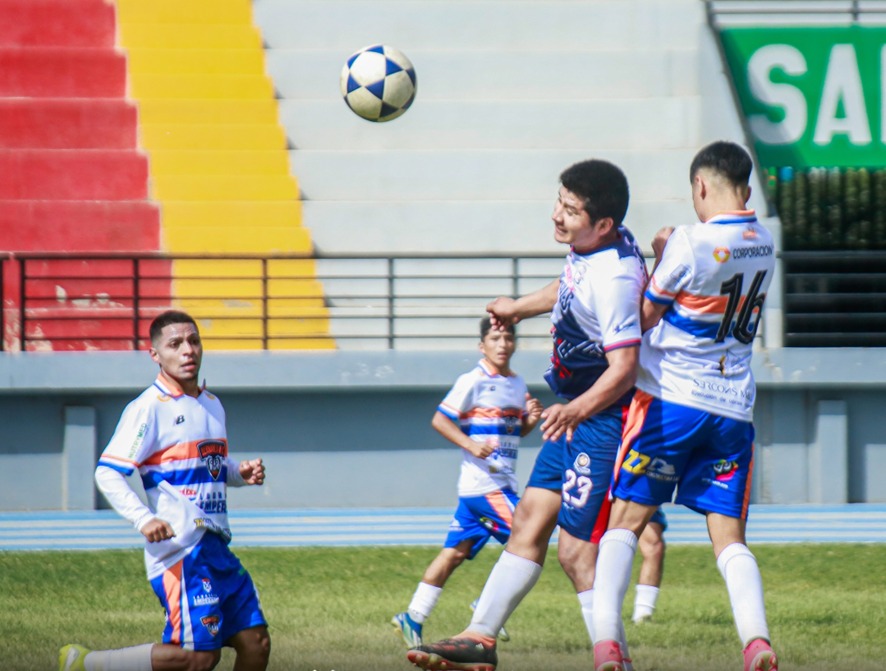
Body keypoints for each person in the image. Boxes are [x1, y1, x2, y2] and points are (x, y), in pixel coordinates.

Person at [407, 158, 647, 671]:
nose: (558, 215)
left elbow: (625, 367)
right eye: (558, 201)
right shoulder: (596, 245)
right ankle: (480, 638)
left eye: (571, 210)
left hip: (601, 420)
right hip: (576, 416)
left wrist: (575, 408)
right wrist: (518, 307)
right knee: (529, 526)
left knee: (576, 554)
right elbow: (567, 289)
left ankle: (615, 659)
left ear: (603, 224)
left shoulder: (615, 279)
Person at [591, 141, 778, 671]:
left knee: (624, 523)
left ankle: (607, 643)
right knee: (729, 539)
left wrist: (658, 254)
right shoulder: (763, 241)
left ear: (700, 186)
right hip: (732, 410)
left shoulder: (690, 244)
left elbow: (644, 317)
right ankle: (757, 643)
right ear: (744, 188)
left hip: (672, 404)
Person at [59, 310, 271, 671]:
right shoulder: (147, 409)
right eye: (175, 344)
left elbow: (207, 465)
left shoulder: (212, 404)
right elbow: (108, 472)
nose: (187, 350)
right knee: (199, 658)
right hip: (180, 552)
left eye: (193, 341)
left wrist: (238, 473)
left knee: (256, 643)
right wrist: (143, 519)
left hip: (216, 546)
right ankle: (89, 665)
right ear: (155, 354)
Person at [391, 317, 543, 648]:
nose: (502, 344)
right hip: (485, 486)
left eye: (507, 338)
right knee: (528, 542)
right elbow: (439, 419)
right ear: (482, 345)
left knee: (454, 554)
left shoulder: (517, 385)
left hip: (491, 486)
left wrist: (529, 419)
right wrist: (471, 444)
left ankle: (413, 616)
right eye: (495, 338)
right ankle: (487, 606)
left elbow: (514, 433)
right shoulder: (472, 380)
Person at [631, 508, 667, 624]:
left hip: (633, 492)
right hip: (599, 492)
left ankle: (643, 615)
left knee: (654, 545)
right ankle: (596, 611)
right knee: (589, 550)